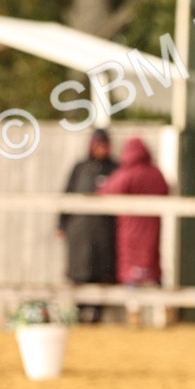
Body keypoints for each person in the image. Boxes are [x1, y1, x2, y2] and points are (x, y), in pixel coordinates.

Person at [98, 136, 169, 323]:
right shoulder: (156, 173)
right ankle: (163, 312)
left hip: (129, 231)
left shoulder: (126, 173)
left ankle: (134, 312)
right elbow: (167, 189)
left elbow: (106, 191)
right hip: (152, 229)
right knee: (153, 272)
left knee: (131, 274)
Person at [57, 128, 117, 323]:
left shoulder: (115, 168)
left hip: (104, 231)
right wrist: (61, 222)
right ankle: (78, 312)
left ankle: (97, 314)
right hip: (80, 229)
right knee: (79, 270)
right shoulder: (80, 167)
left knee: (101, 270)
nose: (101, 149)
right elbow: (67, 194)